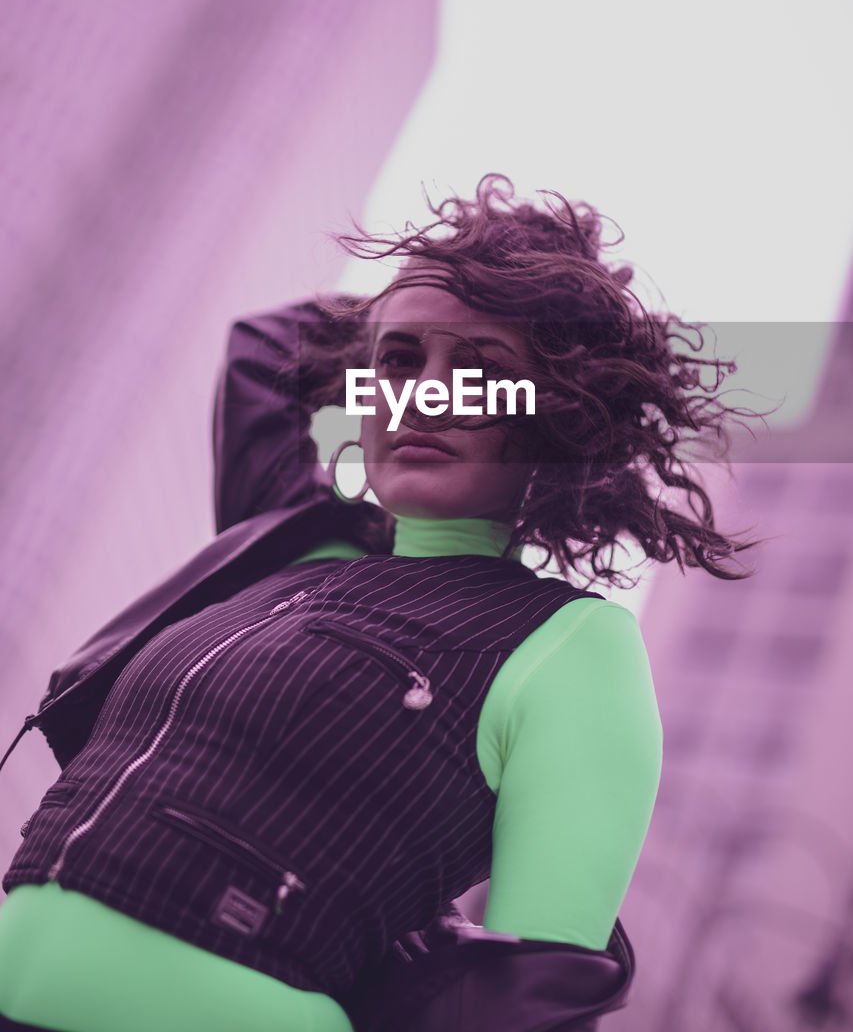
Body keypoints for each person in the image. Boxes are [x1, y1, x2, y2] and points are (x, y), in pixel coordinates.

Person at [0, 175, 758, 1031]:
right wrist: (448, 280)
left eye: (478, 371)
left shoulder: (570, 645)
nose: (424, 395)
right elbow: (265, 346)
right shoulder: (286, 547)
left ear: (549, 416)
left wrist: (545, 313)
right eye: (399, 363)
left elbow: (526, 1000)